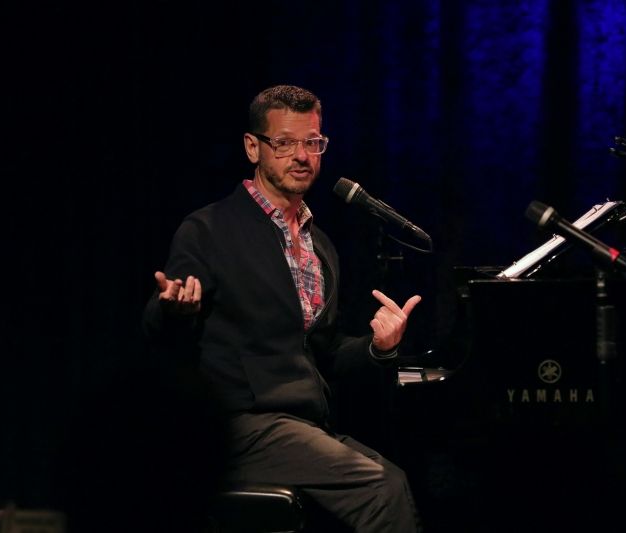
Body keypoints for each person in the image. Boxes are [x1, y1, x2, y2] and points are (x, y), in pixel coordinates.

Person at [143, 84, 422, 532]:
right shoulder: (209, 229)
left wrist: (378, 348)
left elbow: (325, 352)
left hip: (305, 425)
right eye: (285, 143)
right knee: (379, 488)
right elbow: (159, 331)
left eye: (313, 142)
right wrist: (175, 308)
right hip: (242, 425)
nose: (302, 155)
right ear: (254, 147)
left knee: (404, 478)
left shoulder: (320, 245)